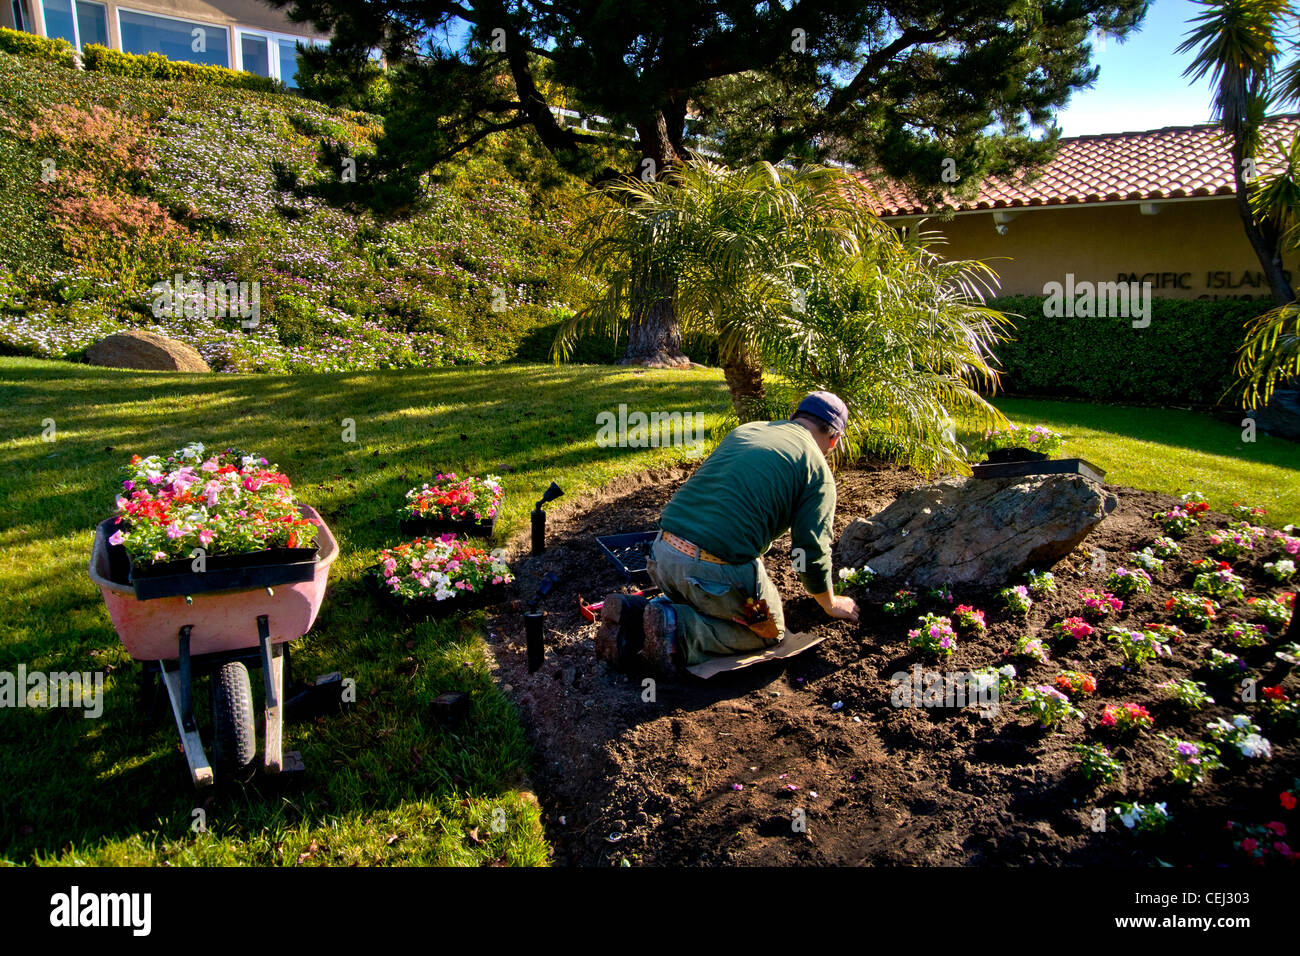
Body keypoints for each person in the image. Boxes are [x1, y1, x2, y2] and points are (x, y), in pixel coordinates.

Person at [596, 390, 860, 676]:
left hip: (662, 554)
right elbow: (808, 553)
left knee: (703, 591)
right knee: (768, 631)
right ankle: (677, 629)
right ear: (833, 439)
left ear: (793, 417)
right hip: (713, 576)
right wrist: (831, 603)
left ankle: (635, 616)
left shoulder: (749, 430)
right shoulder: (817, 470)